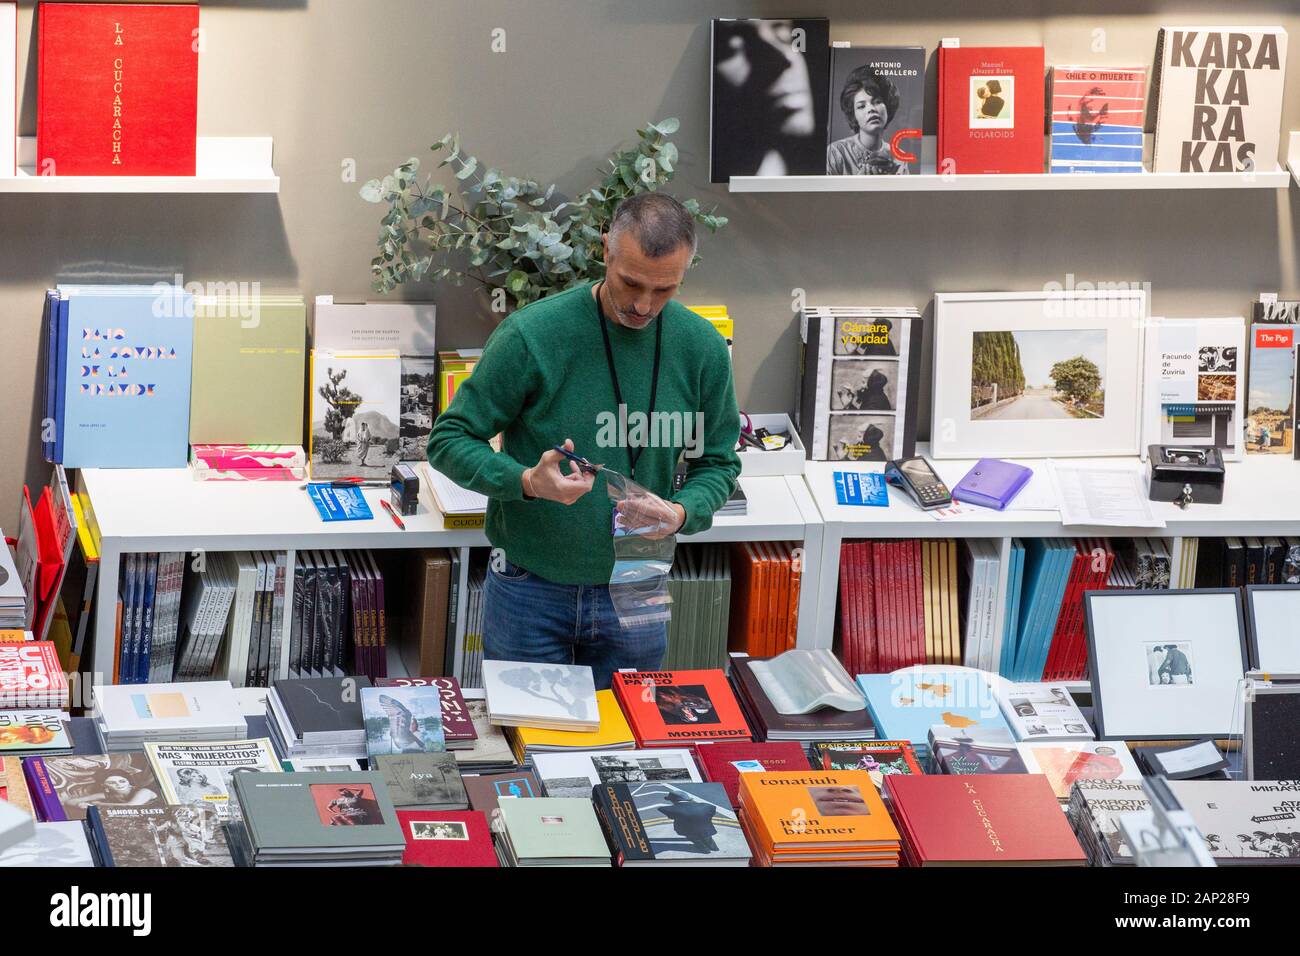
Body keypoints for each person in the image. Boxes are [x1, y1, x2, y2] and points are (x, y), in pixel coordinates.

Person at [427, 194, 741, 691]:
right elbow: (448, 439)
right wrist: (526, 481)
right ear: (605, 252)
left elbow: (719, 464)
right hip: (531, 586)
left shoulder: (701, 348)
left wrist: (681, 513)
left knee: (629, 752)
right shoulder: (533, 334)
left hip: (638, 584)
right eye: (631, 283)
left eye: (665, 290)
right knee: (527, 747)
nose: (644, 305)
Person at [826, 66, 909, 175]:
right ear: (853, 114)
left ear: (888, 106)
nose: (871, 109)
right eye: (861, 106)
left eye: (877, 101)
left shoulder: (899, 156)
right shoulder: (835, 153)